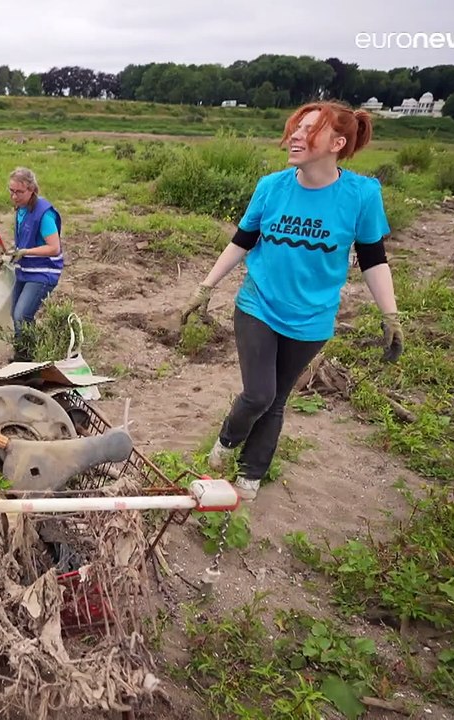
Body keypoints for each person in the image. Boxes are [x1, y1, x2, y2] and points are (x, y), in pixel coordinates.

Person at [179, 100, 404, 501]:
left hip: (313, 320)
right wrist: (205, 287)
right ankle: (227, 442)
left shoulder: (361, 195)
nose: (296, 135)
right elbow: (242, 242)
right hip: (258, 305)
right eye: (297, 127)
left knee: (278, 398)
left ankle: (250, 476)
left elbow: (374, 259)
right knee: (259, 393)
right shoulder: (272, 187)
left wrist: (391, 315)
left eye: (309, 129)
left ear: (337, 142)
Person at [4, 167, 64, 361]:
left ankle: (26, 362)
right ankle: (22, 357)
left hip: (43, 272)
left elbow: (54, 247)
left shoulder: (44, 213)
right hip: (25, 270)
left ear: (31, 189)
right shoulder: (21, 209)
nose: (14, 196)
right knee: (16, 315)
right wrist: (13, 251)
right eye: (11, 191)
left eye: (19, 192)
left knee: (22, 315)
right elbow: (28, 239)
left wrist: (25, 252)